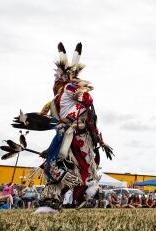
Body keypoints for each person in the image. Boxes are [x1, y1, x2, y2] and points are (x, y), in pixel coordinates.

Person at [8, 42, 113, 209]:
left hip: (78, 137)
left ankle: (58, 199)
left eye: (59, 77)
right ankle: (51, 201)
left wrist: (81, 95)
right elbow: (56, 121)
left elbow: (87, 100)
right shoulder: (54, 101)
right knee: (59, 166)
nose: (57, 80)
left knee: (76, 169)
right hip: (69, 137)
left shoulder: (68, 88)